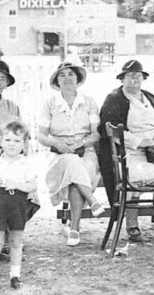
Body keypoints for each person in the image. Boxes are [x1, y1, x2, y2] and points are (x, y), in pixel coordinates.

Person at [98, 59, 154, 242]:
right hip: (128, 154)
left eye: (138, 75)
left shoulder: (150, 97)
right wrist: (141, 142)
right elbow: (110, 129)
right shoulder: (114, 98)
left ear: (143, 78)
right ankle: (132, 226)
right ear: (122, 79)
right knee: (134, 175)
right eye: (130, 76)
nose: (134, 79)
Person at [36, 61, 104, 247]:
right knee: (72, 163)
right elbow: (41, 135)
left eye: (71, 74)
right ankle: (92, 201)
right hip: (58, 155)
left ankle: (74, 229)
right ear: (57, 81)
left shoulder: (89, 102)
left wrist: (81, 143)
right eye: (62, 75)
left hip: (85, 151)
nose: (67, 78)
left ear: (78, 79)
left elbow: (96, 134)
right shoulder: (50, 104)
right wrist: (57, 143)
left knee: (77, 170)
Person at [0, 120, 38, 294]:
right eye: (8, 140)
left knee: (16, 241)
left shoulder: (26, 164)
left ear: (24, 144)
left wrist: (18, 185)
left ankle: (15, 276)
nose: (12, 144)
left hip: (17, 205)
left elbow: (33, 185)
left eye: (17, 141)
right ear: (1, 141)